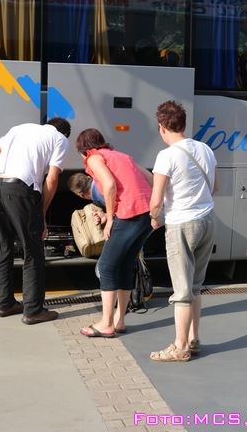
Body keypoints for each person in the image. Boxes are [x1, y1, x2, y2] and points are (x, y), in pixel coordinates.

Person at [0, 117, 71, 325]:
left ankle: (5, 304)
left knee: (1, 248)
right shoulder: (60, 139)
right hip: (20, 191)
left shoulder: (20, 128)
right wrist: (41, 212)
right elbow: (52, 179)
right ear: (64, 133)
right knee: (33, 251)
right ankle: (33, 310)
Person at [148, 100, 217, 362]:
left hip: (182, 224)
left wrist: (154, 217)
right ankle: (193, 339)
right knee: (196, 286)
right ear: (183, 124)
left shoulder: (166, 156)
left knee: (181, 290)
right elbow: (215, 186)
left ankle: (179, 346)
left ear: (162, 127)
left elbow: (156, 200)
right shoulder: (205, 149)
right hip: (207, 220)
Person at [76, 128, 153, 338]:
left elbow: (109, 184)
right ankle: (119, 320)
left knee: (107, 267)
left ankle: (106, 323)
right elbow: (150, 178)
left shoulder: (93, 157)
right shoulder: (122, 155)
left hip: (128, 214)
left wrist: (110, 218)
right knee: (126, 265)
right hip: (146, 215)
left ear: (84, 150)